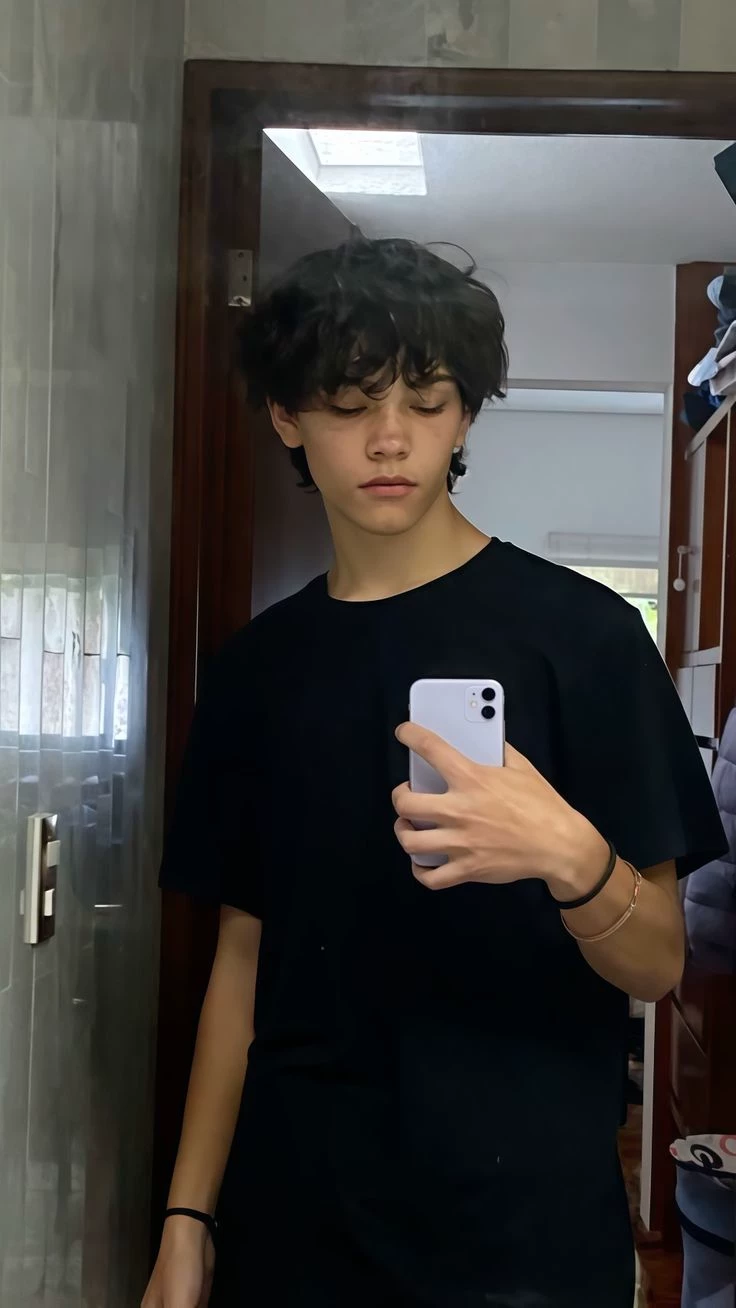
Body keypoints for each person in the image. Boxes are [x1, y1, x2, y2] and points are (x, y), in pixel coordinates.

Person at [143, 236, 727, 1308]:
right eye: (347, 402)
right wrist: (188, 1219)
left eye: (425, 401)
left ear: (464, 418)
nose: (389, 438)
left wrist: (574, 860)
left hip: (525, 1233)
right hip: (297, 1218)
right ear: (286, 417)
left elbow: (654, 964)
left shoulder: (586, 639)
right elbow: (244, 954)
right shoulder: (256, 672)